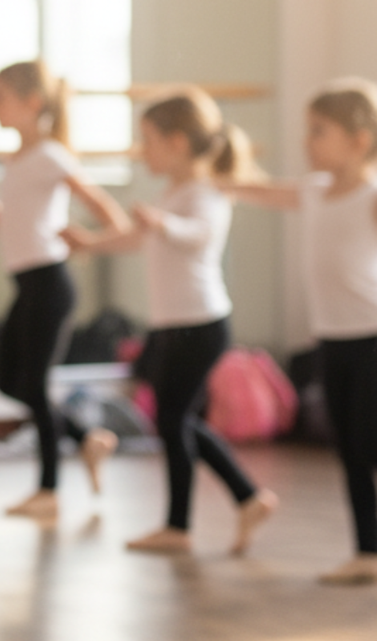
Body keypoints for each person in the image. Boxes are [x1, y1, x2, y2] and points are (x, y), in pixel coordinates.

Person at [65, 86, 279, 554]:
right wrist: (91, 243)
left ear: (178, 142)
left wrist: (164, 225)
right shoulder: (174, 192)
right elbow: (137, 239)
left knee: (172, 419)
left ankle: (179, 527)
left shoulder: (206, 192)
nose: (143, 151)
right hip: (172, 327)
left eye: (149, 140)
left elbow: (197, 236)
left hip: (200, 326)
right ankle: (247, 498)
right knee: (176, 420)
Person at [224, 79, 377, 584]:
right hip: (332, 341)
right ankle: (367, 552)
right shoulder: (312, 192)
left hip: (372, 336)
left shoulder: (372, 196)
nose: (307, 142)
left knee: (369, 443)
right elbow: (261, 190)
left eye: (319, 131)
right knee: (351, 448)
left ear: (359, 139)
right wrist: (222, 174)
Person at [0, 59, 129, 518]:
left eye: (0, 96)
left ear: (32, 103)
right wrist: (1, 222)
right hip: (28, 283)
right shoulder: (21, 158)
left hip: (50, 283)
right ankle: (87, 439)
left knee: (34, 382)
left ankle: (49, 489)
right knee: (8, 378)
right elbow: (30, 218)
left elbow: (107, 212)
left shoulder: (51, 155)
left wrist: (92, 240)